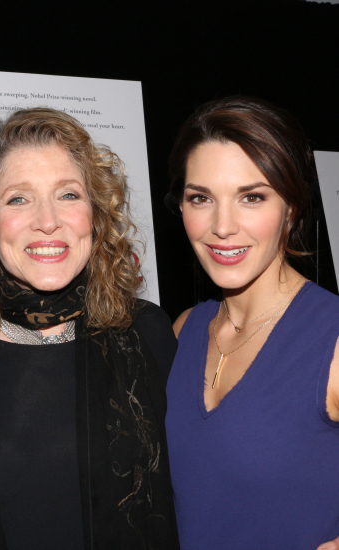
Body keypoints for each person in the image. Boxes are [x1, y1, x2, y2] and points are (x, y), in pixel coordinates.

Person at [0, 107, 179, 550]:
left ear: (97, 213)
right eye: (18, 198)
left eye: (68, 195)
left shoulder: (148, 335)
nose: (47, 220)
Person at [165, 96, 339, 550]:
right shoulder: (183, 330)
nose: (223, 226)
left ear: (292, 208)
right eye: (200, 198)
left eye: (252, 197)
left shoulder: (333, 339)